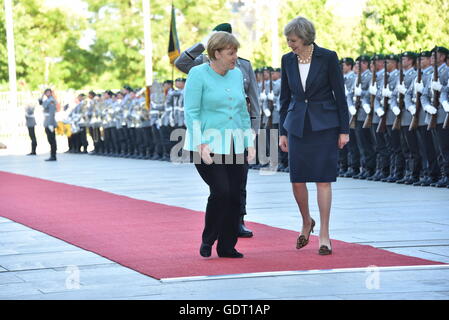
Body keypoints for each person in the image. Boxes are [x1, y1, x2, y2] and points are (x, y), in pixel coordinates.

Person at [175, 22, 260, 238]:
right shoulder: (202, 64)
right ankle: (214, 234)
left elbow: (252, 102)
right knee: (222, 190)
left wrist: (253, 133)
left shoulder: (243, 67)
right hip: (211, 139)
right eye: (228, 48)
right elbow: (180, 62)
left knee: (238, 187)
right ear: (216, 49)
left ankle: (237, 223)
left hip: (238, 135)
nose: (233, 55)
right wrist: (204, 43)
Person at [278, 17, 349, 255]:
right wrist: (282, 131)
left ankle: (325, 235)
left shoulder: (328, 57)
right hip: (297, 125)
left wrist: (343, 130)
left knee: (323, 180)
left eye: (293, 40)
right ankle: (307, 221)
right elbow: (284, 98)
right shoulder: (287, 60)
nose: (290, 44)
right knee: (297, 180)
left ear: (306, 37)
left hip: (325, 126)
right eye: (288, 40)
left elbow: (340, 95)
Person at [40, 88, 58, 161]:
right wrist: (41, 95)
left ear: (51, 93)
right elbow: (40, 102)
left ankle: (53, 155)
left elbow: (52, 113)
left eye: (48, 92)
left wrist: (50, 123)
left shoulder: (52, 101)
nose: (47, 94)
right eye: (46, 93)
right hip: (47, 121)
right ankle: (52, 154)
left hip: (50, 122)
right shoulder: (47, 100)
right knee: (49, 139)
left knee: (52, 139)